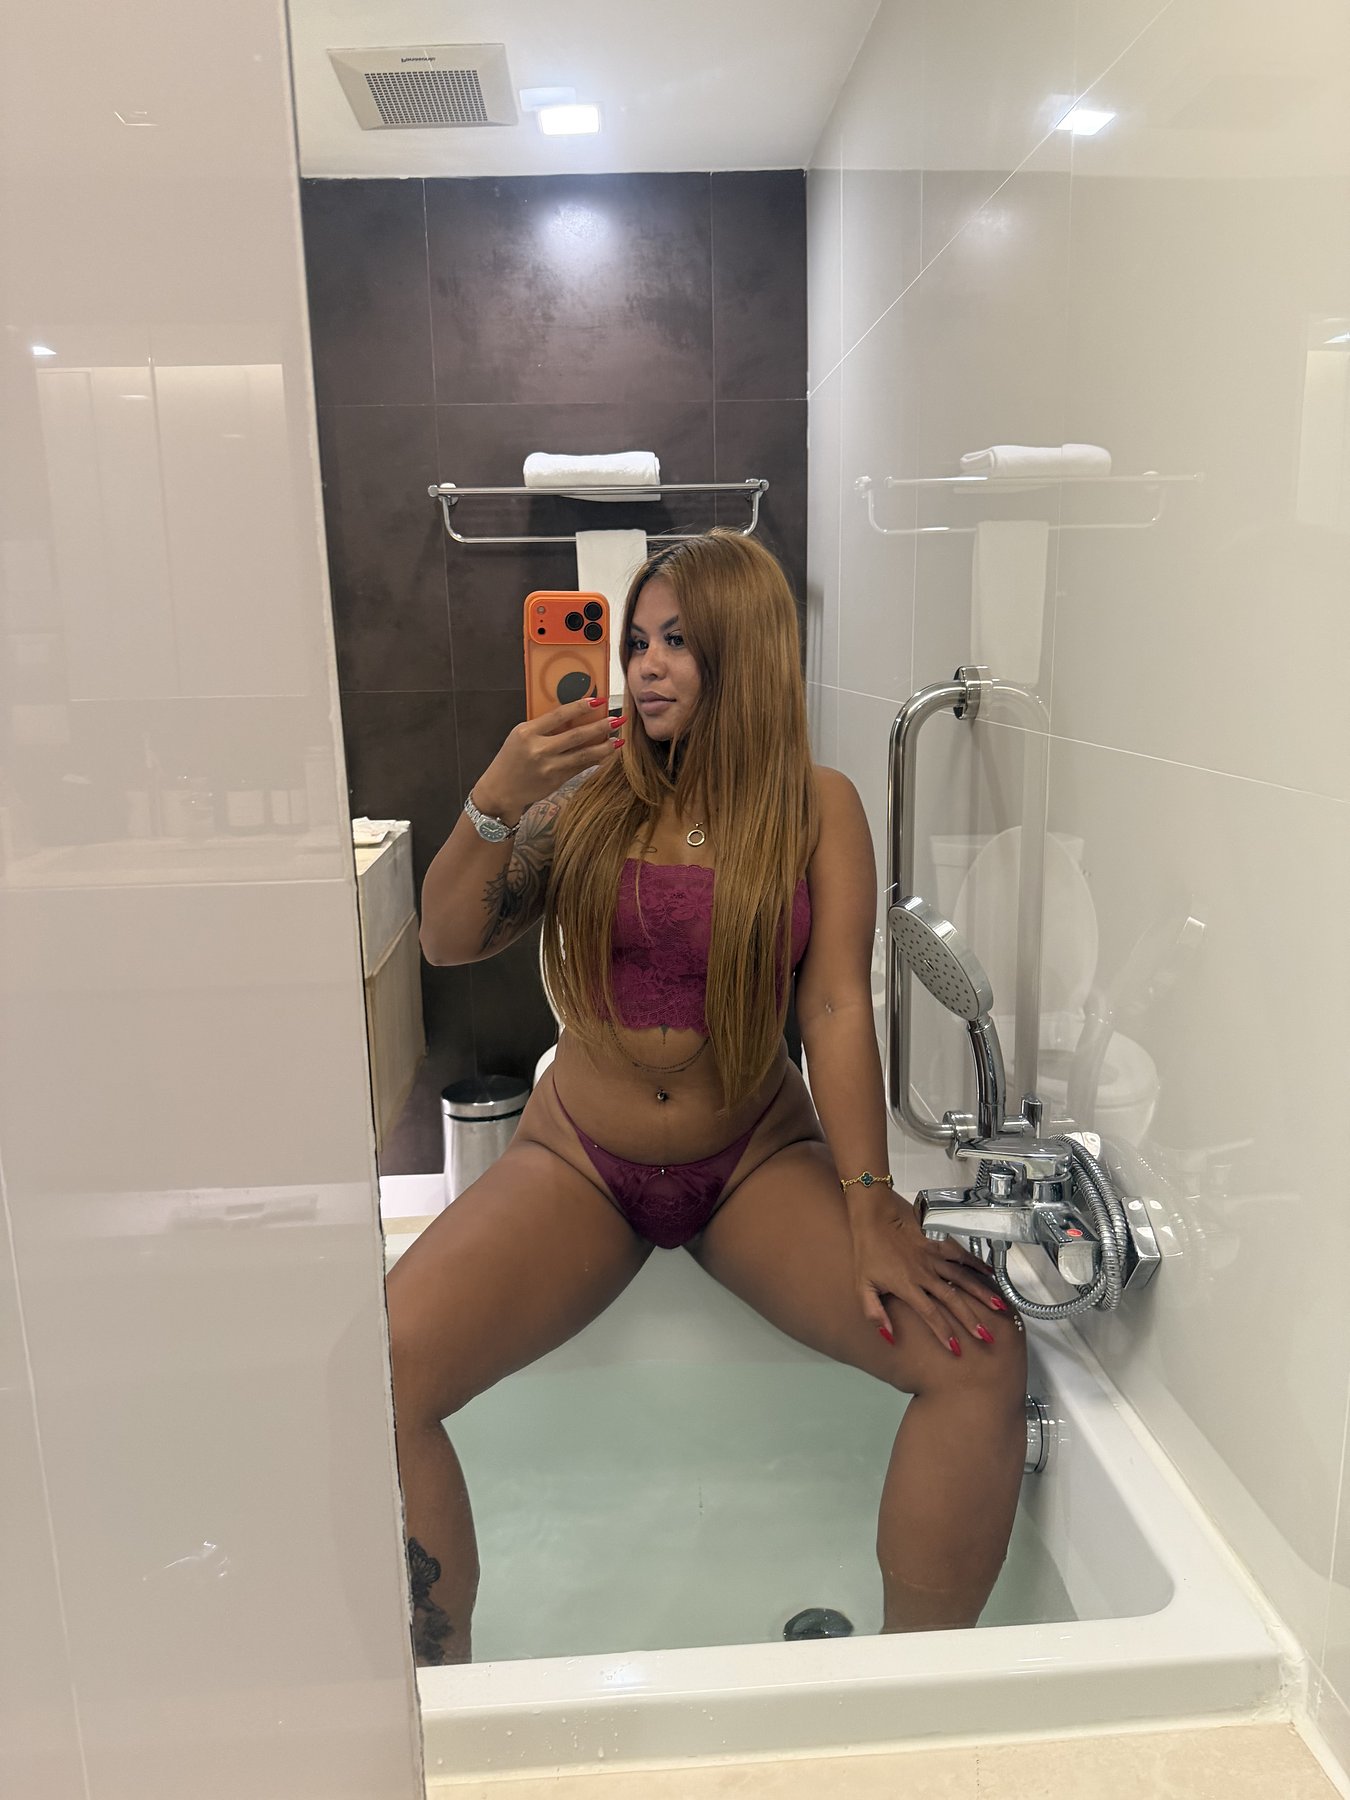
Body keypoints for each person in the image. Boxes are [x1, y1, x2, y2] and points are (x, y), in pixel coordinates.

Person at [389, 529, 1026, 1665]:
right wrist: (496, 798)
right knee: (380, 1373)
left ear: (746, 649)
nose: (645, 665)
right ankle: (436, 1702)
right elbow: (443, 938)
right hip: (579, 1164)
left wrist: (872, 1202)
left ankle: (915, 1700)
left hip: (750, 1163)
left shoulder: (816, 806)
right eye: (636, 642)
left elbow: (836, 1006)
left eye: (678, 641)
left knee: (977, 1359)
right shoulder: (585, 799)